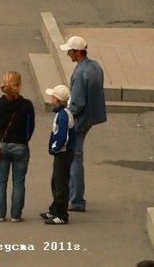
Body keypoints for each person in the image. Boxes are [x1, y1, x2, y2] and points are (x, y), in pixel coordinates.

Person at [61, 35, 106, 213]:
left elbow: (77, 103)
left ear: (77, 52)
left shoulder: (80, 73)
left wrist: (66, 117)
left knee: (74, 159)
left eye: (70, 51)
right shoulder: (95, 67)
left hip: (79, 120)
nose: (68, 55)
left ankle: (76, 200)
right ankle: (76, 198)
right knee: (77, 157)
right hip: (91, 117)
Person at [0, 70, 36, 223]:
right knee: (18, 182)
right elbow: (30, 127)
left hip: (2, 145)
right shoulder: (27, 105)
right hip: (21, 146)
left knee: (1, 181)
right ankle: (16, 215)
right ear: (19, 86)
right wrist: (24, 138)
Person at [43, 84, 76, 225]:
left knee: (60, 184)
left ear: (57, 100)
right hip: (64, 153)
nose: (51, 99)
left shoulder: (62, 116)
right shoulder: (63, 113)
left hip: (63, 154)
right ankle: (55, 209)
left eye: (53, 97)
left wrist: (54, 148)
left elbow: (63, 137)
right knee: (56, 181)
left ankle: (61, 215)